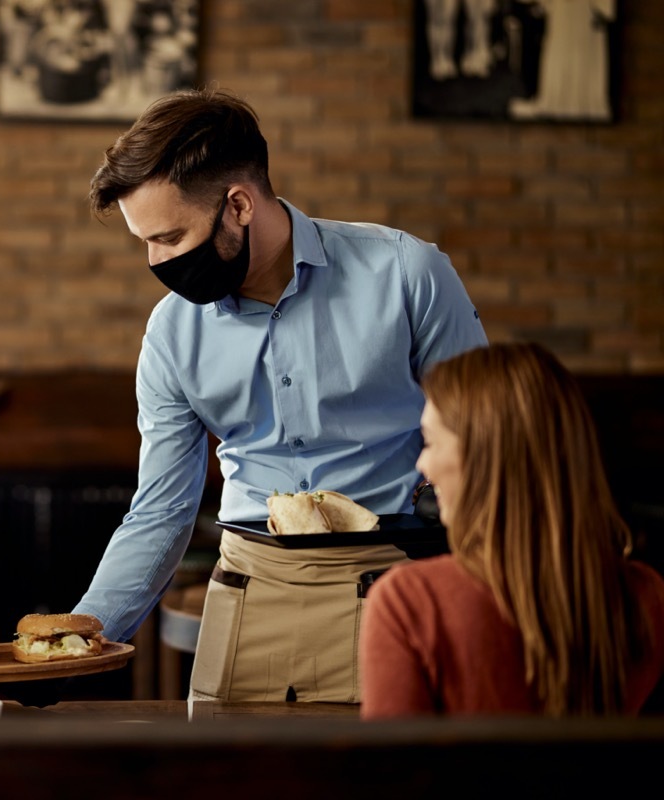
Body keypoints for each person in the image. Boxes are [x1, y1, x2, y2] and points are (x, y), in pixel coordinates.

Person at [73, 86, 488, 704]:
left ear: (238, 204)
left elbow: (491, 449)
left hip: (399, 586)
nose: (155, 261)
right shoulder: (170, 333)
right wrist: (77, 639)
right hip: (246, 591)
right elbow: (161, 509)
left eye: (168, 236)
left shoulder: (407, 274)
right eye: (145, 243)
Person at [360, 342, 664, 717]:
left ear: (484, 458)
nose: (423, 464)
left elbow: (388, 774)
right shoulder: (646, 598)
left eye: (431, 442)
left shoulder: (409, 604)